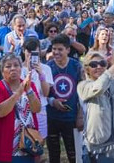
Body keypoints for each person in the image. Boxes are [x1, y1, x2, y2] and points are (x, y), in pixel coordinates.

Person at [78, 45, 114, 162]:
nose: (98, 67)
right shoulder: (83, 86)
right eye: (93, 65)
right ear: (87, 69)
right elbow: (99, 87)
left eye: (102, 64)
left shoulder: (112, 83)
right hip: (97, 144)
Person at [0, 53, 41, 163]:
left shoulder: (30, 85)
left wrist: (29, 90)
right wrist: (18, 94)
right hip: (3, 144)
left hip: (26, 144)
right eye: (8, 66)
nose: (13, 69)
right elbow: (0, 112)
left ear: (21, 68)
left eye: (16, 65)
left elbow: (36, 109)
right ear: (2, 71)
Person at [46, 34, 84, 163]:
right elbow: (43, 93)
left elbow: (83, 93)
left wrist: (80, 115)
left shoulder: (77, 66)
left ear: (68, 50)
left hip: (72, 118)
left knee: (74, 154)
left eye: (60, 49)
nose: (56, 52)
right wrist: (53, 101)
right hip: (52, 117)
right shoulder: (48, 67)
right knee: (53, 154)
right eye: (54, 49)